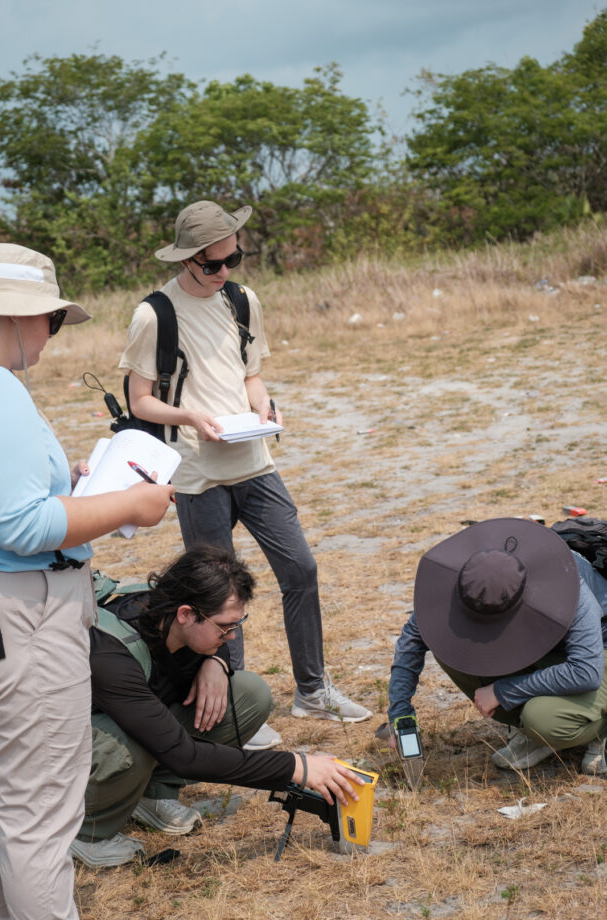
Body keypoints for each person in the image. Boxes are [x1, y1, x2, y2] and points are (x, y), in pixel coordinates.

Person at [0, 244, 175, 920]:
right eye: (54, 324)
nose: (53, 337)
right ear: (22, 318)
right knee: (40, 813)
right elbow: (23, 525)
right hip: (17, 618)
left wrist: (63, 480)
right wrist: (131, 508)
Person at [120, 200, 372, 747]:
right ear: (188, 260)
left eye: (233, 259)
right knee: (219, 598)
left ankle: (313, 690)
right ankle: (238, 703)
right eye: (212, 265)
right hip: (197, 474)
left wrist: (263, 408)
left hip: (255, 462)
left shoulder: (242, 300)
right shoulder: (153, 314)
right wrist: (189, 415)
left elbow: (253, 375)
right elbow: (141, 400)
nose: (224, 272)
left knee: (300, 570)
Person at [71, 545, 363, 868]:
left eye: (237, 625)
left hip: (139, 721)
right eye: (225, 627)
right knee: (136, 742)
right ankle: (87, 830)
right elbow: (185, 756)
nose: (233, 637)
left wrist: (217, 662)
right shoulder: (114, 656)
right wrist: (297, 768)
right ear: (186, 614)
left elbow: (212, 645)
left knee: (251, 695)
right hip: (69, 751)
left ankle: (152, 794)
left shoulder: (174, 616)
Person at [385, 518, 607, 775]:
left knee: (544, 719)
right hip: (549, 646)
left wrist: (504, 691)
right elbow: (414, 636)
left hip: (598, 652)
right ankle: (537, 733)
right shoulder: (468, 578)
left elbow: (585, 672)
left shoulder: (570, 587)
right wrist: (400, 715)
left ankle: (598, 730)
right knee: (448, 645)